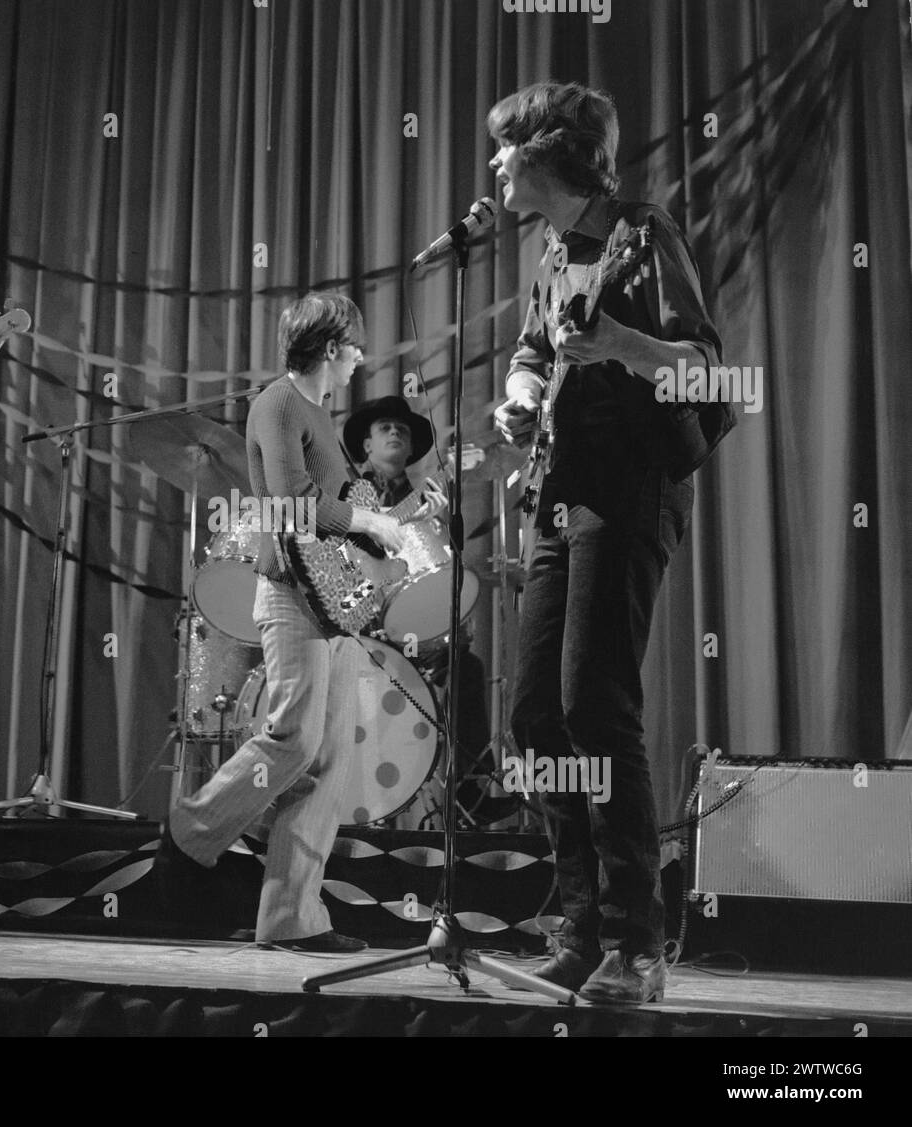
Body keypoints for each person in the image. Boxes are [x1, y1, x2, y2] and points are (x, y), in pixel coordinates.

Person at [490, 83, 734, 1002]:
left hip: (628, 491)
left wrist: (622, 344)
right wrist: (520, 395)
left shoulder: (643, 235)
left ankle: (643, 938)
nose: (494, 167)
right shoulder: (553, 251)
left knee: (596, 702)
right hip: (559, 492)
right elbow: (529, 351)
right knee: (534, 717)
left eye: (504, 150)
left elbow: (707, 369)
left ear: (546, 157)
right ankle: (578, 923)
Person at [156, 293, 445, 951]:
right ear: (332, 347)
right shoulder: (279, 403)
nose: (361, 361)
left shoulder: (319, 414)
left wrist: (401, 516)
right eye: (356, 349)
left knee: (328, 759)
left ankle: (291, 919)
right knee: (292, 738)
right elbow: (291, 506)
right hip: (291, 595)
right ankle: (188, 834)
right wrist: (367, 518)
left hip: (332, 606)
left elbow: (344, 507)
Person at [342, 396, 492, 828]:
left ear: (411, 451)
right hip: (359, 629)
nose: (395, 433)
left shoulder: (427, 499)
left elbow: (438, 571)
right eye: (385, 427)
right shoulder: (346, 494)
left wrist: (437, 521)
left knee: (465, 665)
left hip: (413, 637)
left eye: (403, 431)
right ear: (366, 446)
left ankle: (471, 793)